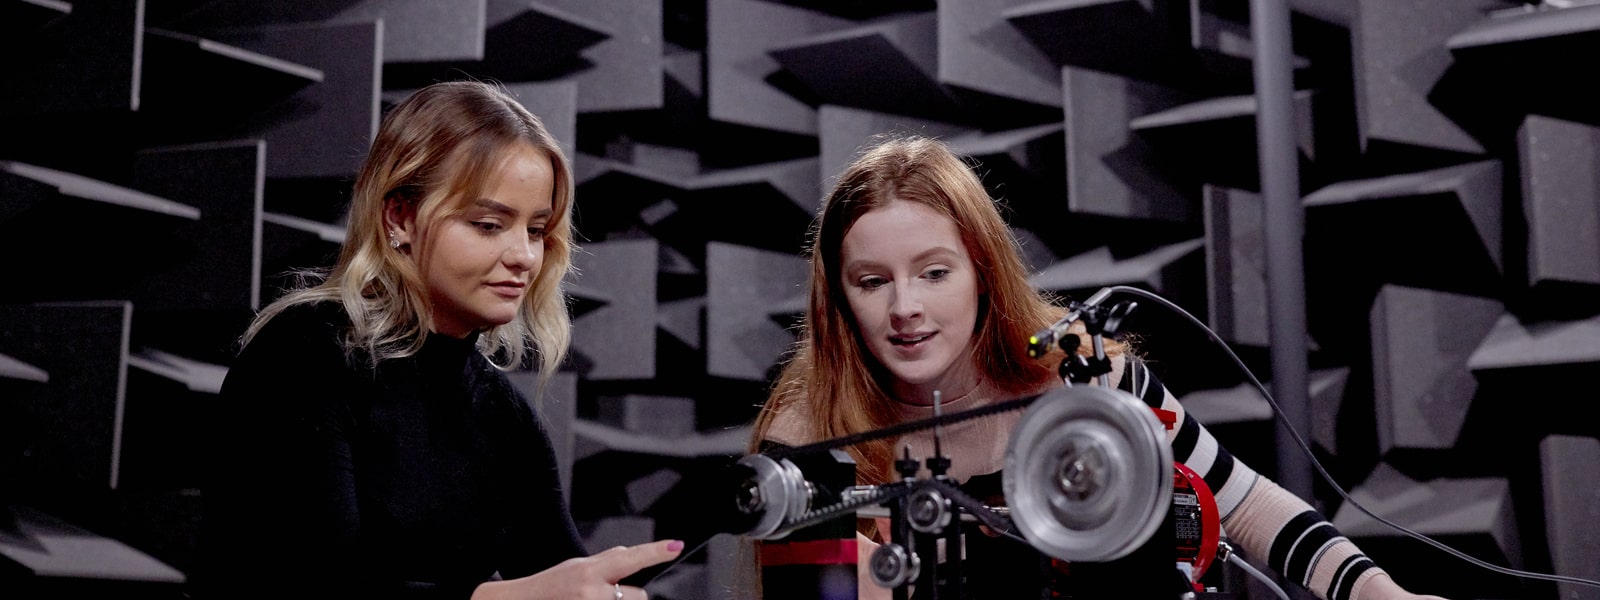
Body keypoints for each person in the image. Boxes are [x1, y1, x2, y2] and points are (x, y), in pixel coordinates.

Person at [748, 134, 1448, 600]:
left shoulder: (1091, 383)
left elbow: (1245, 506)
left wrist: (1380, 595)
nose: (906, 306)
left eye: (934, 272)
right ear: (838, 296)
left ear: (983, 272)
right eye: (872, 281)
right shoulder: (807, 438)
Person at [194, 80, 681, 600]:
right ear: (399, 217)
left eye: (537, 230)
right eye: (490, 224)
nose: (524, 256)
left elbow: (561, 577)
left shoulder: (500, 413)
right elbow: (311, 585)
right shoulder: (305, 354)